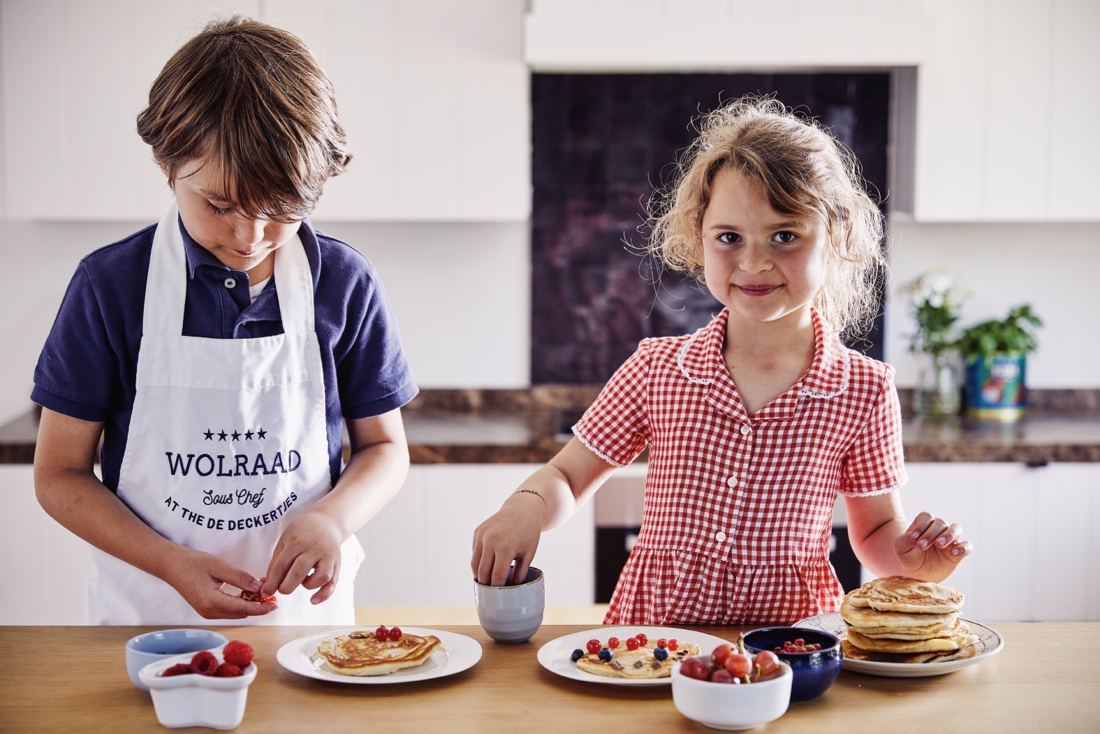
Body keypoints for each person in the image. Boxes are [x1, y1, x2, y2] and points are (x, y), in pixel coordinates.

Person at [471, 97, 972, 625]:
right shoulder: (656, 369)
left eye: (785, 235)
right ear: (699, 238)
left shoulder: (863, 389)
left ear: (837, 235)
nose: (754, 262)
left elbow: (873, 534)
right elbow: (567, 479)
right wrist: (524, 504)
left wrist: (915, 563)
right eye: (730, 237)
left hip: (787, 647)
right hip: (655, 642)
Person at [32, 17, 417, 625]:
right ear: (166, 163)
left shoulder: (344, 284)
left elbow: (386, 448)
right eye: (219, 205)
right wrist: (167, 560)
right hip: (146, 622)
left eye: (279, 209)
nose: (250, 235)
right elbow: (59, 475)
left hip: (304, 633)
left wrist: (330, 519)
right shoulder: (109, 287)